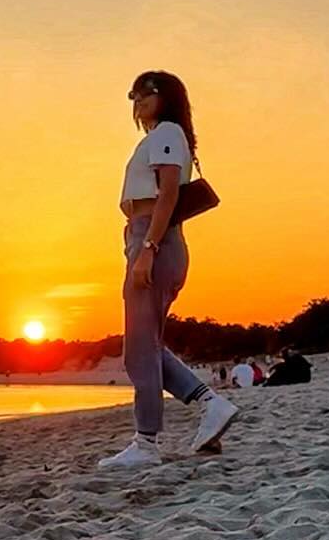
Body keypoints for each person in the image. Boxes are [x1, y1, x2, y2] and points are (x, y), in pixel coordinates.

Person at [98, 71, 237, 468]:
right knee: (146, 346)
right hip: (147, 237)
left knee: (139, 350)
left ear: (167, 97)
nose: (137, 100)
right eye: (133, 95)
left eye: (146, 92)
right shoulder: (162, 136)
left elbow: (169, 194)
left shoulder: (167, 132)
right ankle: (211, 405)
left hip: (156, 240)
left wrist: (148, 248)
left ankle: (146, 444)